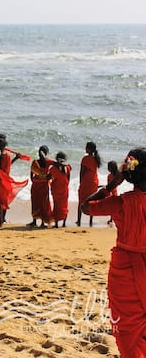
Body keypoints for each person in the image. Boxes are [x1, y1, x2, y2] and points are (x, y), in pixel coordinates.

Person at [81, 148, 146, 357]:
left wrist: (111, 185)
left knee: (128, 331)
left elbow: (86, 207)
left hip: (125, 274)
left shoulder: (122, 203)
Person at [0, 134, 28, 228]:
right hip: (1, 181)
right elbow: (6, 170)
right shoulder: (6, 155)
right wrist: (15, 158)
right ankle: (0, 223)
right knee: (0, 202)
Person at [27, 145, 54, 228]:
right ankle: (42, 222)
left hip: (36, 185)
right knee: (43, 203)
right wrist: (50, 175)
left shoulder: (35, 162)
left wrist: (34, 180)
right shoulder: (48, 162)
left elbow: (31, 174)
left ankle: (34, 221)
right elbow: (57, 165)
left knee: (35, 202)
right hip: (43, 185)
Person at [77, 141, 101, 227]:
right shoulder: (95, 159)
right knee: (91, 201)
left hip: (86, 181)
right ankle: (90, 221)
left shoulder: (85, 158)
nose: (85, 148)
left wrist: (80, 182)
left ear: (89, 149)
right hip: (94, 181)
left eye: (86, 147)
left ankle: (79, 220)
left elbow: (82, 171)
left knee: (81, 200)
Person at [50, 152, 71, 228]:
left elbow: (49, 177)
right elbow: (68, 179)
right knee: (64, 205)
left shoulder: (53, 169)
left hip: (56, 189)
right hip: (64, 188)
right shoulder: (68, 168)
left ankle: (56, 224)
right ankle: (64, 223)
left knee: (57, 206)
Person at [106, 160, 119, 226]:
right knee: (112, 207)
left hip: (112, 193)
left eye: (108, 167)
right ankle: (112, 219)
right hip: (113, 192)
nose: (107, 168)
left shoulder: (111, 176)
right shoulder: (115, 175)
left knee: (112, 207)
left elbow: (108, 185)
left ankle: (112, 219)